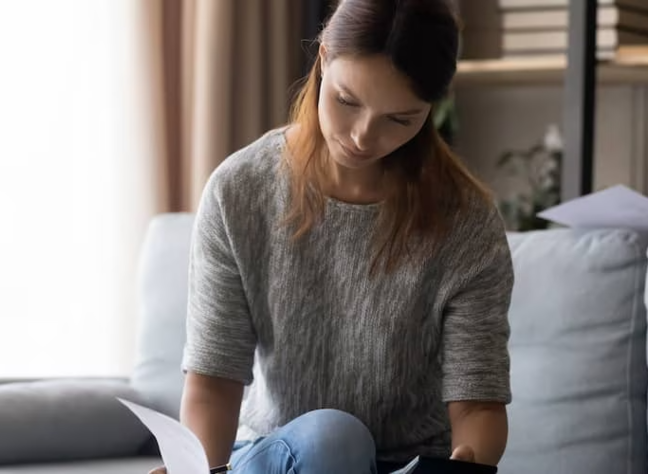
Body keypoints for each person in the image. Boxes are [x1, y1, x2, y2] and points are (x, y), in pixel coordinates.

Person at [151, 0, 513, 472]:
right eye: (347, 101)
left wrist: (470, 461)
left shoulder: (467, 222)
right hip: (280, 459)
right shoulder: (239, 191)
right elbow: (213, 382)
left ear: (432, 107)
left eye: (399, 119)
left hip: (403, 465)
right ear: (323, 59)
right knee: (333, 439)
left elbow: (478, 404)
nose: (363, 136)